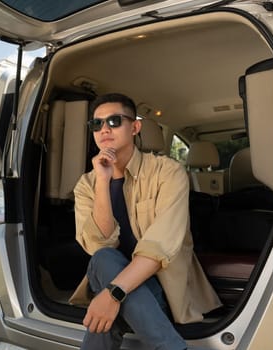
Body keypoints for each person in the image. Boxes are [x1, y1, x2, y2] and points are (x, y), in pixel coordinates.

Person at [69, 93, 221, 349]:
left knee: (109, 299)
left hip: (162, 290)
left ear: (135, 127)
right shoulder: (87, 184)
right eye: (97, 124)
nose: (104, 129)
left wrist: (112, 295)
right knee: (104, 258)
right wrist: (103, 182)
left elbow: (158, 247)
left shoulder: (168, 172)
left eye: (115, 121)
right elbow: (98, 244)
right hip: (115, 278)